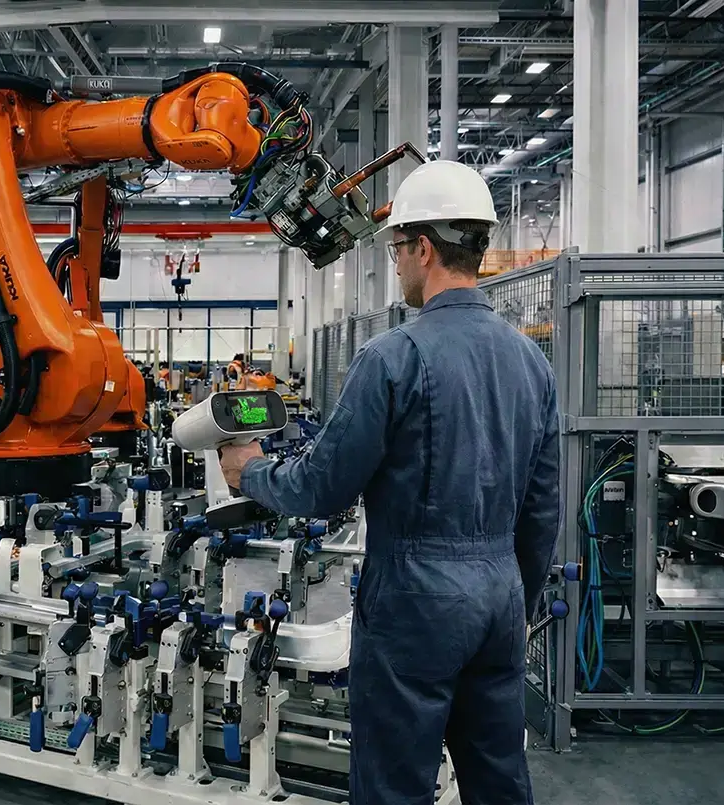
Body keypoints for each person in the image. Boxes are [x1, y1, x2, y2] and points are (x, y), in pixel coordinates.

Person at [220, 160, 561, 805]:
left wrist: (252, 473)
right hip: (501, 597)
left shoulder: (393, 358)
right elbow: (542, 512)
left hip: (415, 600)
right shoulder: (532, 363)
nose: (398, 263)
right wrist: (518, 596)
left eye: (399, 249)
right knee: (497, 779)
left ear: (425, 248)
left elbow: (323, 487)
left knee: (395, 784)